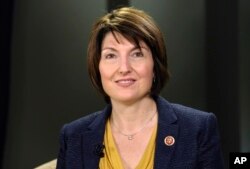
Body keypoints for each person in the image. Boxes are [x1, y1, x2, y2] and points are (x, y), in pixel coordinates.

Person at [56, 7, 224, 169]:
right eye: (111, 55)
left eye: (137, 54)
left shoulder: (198, 128)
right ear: (97, 67)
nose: (124, 68)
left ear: (155, 66)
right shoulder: (73, 136)